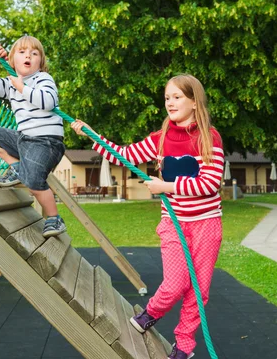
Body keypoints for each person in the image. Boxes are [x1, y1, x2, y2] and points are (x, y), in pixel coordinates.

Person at [71, 74, 224, 359]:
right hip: (175, 224)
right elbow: (124, 156)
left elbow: (209, 184)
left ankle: (184, 347)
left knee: (198, 293)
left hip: (206, 224)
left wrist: (164, 186)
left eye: (177, 97)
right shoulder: (161, 138)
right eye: (167, 97)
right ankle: (152, 312)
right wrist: (93, 135)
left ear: (194, 101)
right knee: (177, 283)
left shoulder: (208, 137)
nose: (170, 102)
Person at [0, 35, 66, 238]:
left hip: (47, 142)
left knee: (34, 180)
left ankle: (54, 218)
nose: (29, 55)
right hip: (24, 140)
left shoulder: (43, 79)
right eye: (22, 52)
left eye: (34, 54)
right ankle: (16, 168)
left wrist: (21, 87)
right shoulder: (10, 83)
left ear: (40, 63)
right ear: (11, 61)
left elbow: (48, 102)